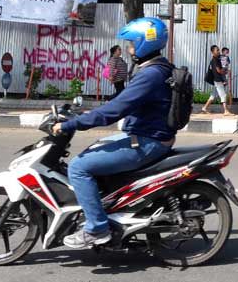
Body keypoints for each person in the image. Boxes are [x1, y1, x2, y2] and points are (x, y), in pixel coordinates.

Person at [52, 17, 174, 249]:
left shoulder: (150, 75)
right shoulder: (160, 68)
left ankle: (97, 228)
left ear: (143, 44)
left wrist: (72, 124)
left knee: (78, 167)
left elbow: (116, 110)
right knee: (96, 150)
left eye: (131, 43)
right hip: (149, 136)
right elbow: (121, 103)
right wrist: (89, 113)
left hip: (147, 142)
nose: (128, 49)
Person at [202, 45, 233, 115]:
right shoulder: (215, 60)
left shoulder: (216, 59)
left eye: (219, 50)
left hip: (216, 79)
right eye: (217, 50)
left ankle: (204, 108)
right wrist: (225, 72)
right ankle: (226, 111)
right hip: (218, 80)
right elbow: (218, 70)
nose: (219, 51)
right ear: (213, 52)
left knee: (213, 95)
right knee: (223, 95)